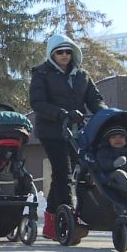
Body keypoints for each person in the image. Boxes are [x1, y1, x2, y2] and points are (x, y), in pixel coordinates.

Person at [29, 33, 107, 241]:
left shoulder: (82, 75)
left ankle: (51, 224)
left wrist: (105, 113)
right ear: (52, 54)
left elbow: (95, 98)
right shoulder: (42, 74)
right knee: (63, 174)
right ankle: (69, 219)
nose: (64, 55)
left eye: (67, 51)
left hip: (76, 131)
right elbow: (37, 103)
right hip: (52, 131)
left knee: (70, 175)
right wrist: (61, 113)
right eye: (59, 52)